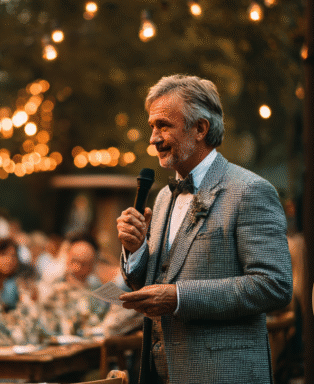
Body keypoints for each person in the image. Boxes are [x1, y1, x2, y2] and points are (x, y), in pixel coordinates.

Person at [116, 74, 293, 384]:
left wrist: (180, 297)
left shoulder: (249, 191)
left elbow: (274, 285)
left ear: (200, 128)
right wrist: (135, 250)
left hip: (222, 374)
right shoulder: (163, 197)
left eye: (164, 126)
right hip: (160, 372)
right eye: (152, 127)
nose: (153, 138)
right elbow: (150, 284)